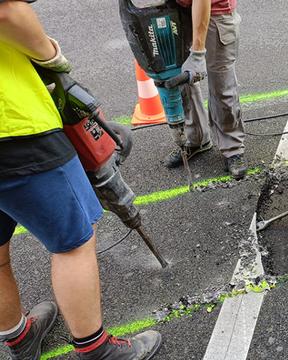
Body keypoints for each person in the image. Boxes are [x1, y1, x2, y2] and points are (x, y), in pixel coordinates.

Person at [0, 1, 161, 358]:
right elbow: (7, 12)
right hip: (13, 127)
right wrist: (50, 54)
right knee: (73, 243)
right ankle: (95, 348)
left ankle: (18, 335)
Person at [169, 0, 248, 180]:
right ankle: (197, 139)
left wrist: (197, 53)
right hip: (179, 11)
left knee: (223, 87)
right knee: (184, 81)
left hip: (216, 12)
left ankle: (233, 148)